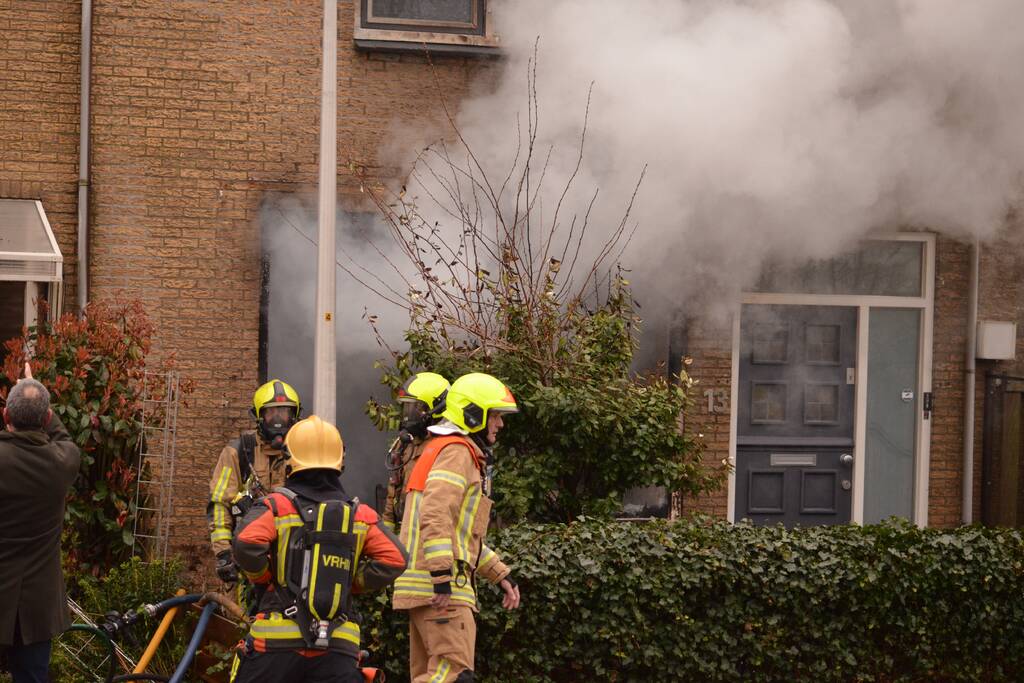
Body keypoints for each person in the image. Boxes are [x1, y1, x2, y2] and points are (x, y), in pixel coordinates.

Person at [230, 415, 408, 682]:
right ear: (340, 460)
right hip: (338, 648)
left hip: (275, 645)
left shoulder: (277, 506)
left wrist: (264, 577)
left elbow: (246, 543)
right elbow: (396, 559)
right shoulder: (360, 514)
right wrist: (350, 582)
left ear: (290, 458)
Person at [392, 372, 522, 683]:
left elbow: (462, 535)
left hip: (424, 585)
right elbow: (436, 515)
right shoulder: (457, 452)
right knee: (454, 676)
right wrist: (441, 576)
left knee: (431, 675)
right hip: (442, 589)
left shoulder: (443, 450)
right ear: (474, 414)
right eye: (495, 416)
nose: (500, 425)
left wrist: (500, 574)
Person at [0, 365, 81, 683]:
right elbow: (61, 436)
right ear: (47, 419)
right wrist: (33, 387)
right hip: (36, 607)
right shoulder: (63, 461)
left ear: (6, 415)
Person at [208, 379, 301, 584]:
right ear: (258, 416)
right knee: (245, 614)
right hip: (248, 557)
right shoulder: (238, 451)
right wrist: (224, 554)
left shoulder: (302, 453)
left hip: (294, 558)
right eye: (271, 413)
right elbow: (219, 504)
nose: (278, 420)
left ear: (295, 416)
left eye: (284, 413)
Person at [381, 372, 450, 532]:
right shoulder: (405, 443)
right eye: (407, 407)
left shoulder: (445, 449)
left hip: (427, 535)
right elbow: (393, 493)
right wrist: (387, 538)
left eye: (416, 408)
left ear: (437, 409)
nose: (408, 416)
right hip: (404, 534)